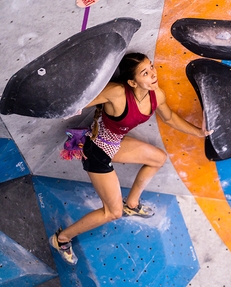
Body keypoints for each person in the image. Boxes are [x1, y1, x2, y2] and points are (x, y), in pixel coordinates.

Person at [49, 52, 212, 265]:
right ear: (132, 82)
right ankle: (62, 239)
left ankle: (132, 204)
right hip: (96, 151)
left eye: (151, 67)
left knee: (158, 158)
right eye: (145, 72)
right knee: (112, 213)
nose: (153, 74)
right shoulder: (117, 93)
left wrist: (199, 132)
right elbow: (81, 100)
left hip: (114, 144)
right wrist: (69, 105)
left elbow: (169, 117)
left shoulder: (156, 94)